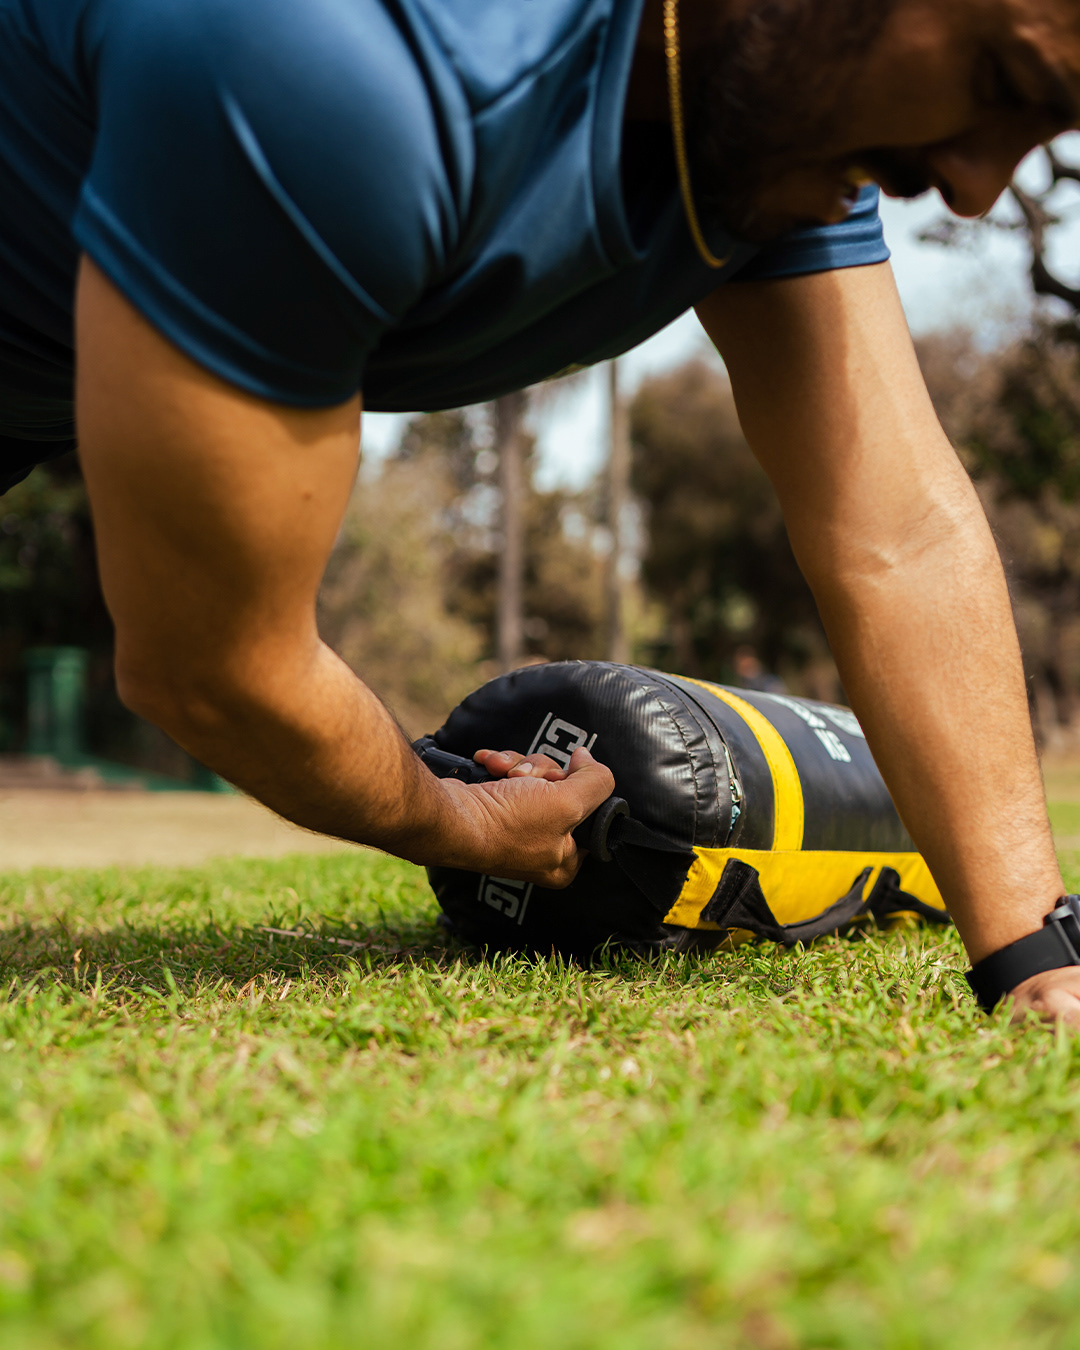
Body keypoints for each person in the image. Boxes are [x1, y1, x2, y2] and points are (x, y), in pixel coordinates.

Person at [1, 0, 1078, 1020]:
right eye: (998, 79)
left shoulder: (776, 121)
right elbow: (209, 662)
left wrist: (1036, 959)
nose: (976, 188)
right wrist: (453, 818)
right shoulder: (346, 63)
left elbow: (898, 532)